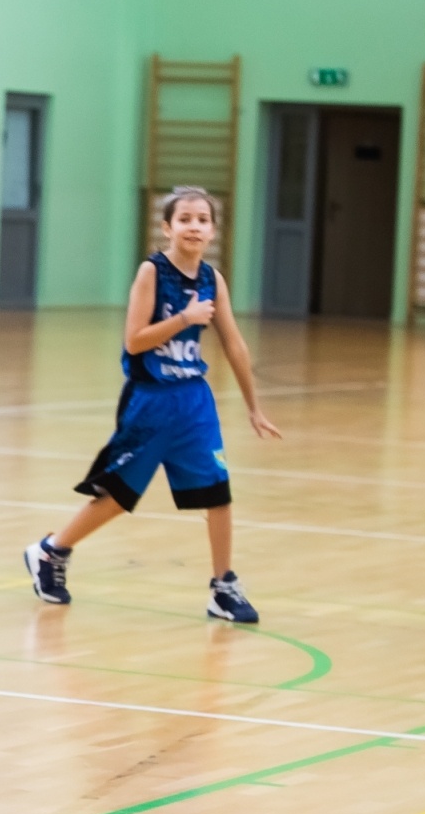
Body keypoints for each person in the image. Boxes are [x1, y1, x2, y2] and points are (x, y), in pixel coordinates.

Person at [23, 186, 281, 622]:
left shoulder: (212, 281)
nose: (194, 226)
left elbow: (234, 346)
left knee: (217, 492)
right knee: (119, 496)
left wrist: (254, 406)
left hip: (195, 403)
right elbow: (135, 340)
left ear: (213, 230)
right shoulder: (152, 273)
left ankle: (223, 586)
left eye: (203, 219)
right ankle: (51, 551)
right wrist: (184, 319)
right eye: (185, 219)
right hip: (150, 404)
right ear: (167, 228)